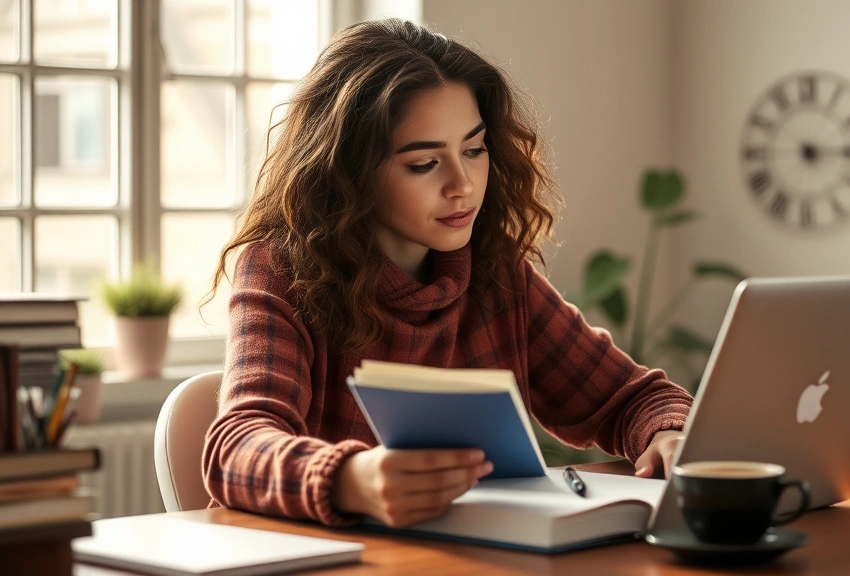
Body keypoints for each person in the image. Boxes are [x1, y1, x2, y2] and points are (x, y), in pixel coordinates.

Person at [203, 18, 693, 530]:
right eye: (423, 164)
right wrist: (353, 478)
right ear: (347, 171)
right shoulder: (280, 269)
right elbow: (236, 449)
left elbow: (631, 397)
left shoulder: (497, 274)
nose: (462, 185)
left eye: (474, 150)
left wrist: (668, 433)